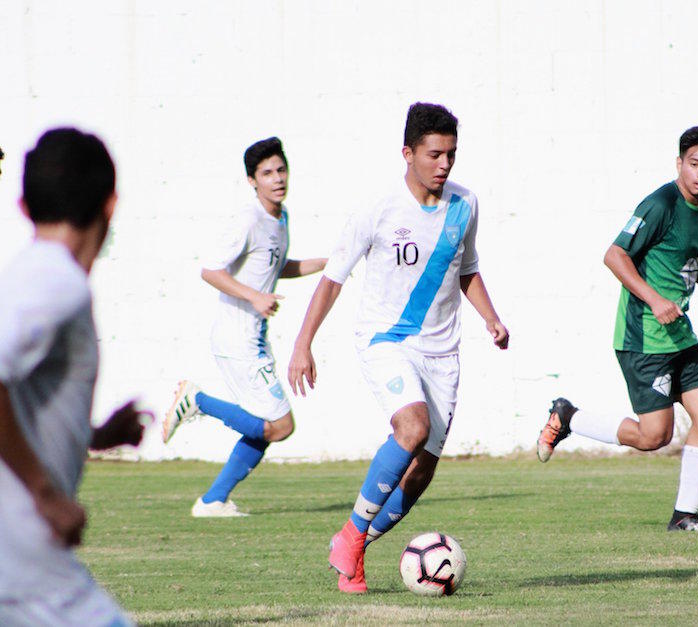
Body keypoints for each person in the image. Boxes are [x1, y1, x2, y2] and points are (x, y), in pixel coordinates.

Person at [288, 102, 509, 593]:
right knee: (412, 426)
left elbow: (467, 268)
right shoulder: (378, 207)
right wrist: (303, 343)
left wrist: (491, 318)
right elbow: (332, 278)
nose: (444, 164)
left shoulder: (465, 204)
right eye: (434, 154)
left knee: (422, 471)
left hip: (443, 353)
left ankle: (353, 549)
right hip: (385, 340)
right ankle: (351, 535)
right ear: (408, 153)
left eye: (451, 154)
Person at [538, 124, 698, 531]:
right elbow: (615, 255)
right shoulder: (660, 204)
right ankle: (569, 417)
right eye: (694, 163)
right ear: (679, 163)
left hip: (680, 335)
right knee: (654, 437)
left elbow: (690, 265)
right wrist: (655, 299)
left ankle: (685, 516)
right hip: (644, 338)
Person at [0, 128, 150, 626]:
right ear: (111, 204)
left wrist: (95, 435)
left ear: (24, 206)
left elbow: (21, 399)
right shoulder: (57, 280)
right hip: (25, 565)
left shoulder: (29, 274)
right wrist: (46, 495)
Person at [162, 137, 326, 517]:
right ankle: (197, 400)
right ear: (252, 181)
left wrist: (327, 264)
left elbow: (277, 266)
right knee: (280, 425)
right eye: (267, 173)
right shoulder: (248, 220)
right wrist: (253, 297)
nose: (277, 178)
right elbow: (210, 271)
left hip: (254, 339)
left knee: (265, 427)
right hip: (237, 339)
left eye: (281, 170)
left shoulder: (281, 218)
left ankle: (213, 500)